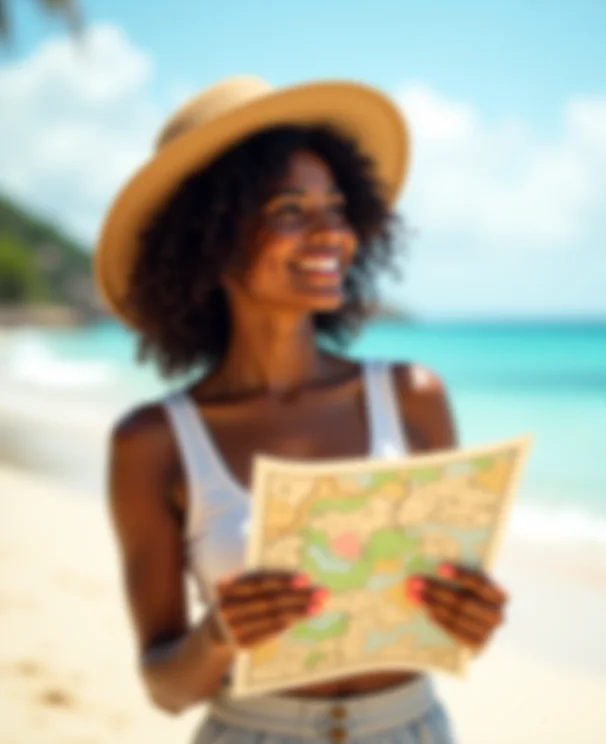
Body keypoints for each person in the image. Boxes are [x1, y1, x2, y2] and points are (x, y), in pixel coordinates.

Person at [99, 76, 509, 743]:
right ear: (208, 236)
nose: (331, 233)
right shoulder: (152, 443)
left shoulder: (413, 398)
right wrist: (220, 636)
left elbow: (445, 618)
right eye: (289, 210)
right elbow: (165, 689)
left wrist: (469, 619)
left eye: (337, 208)